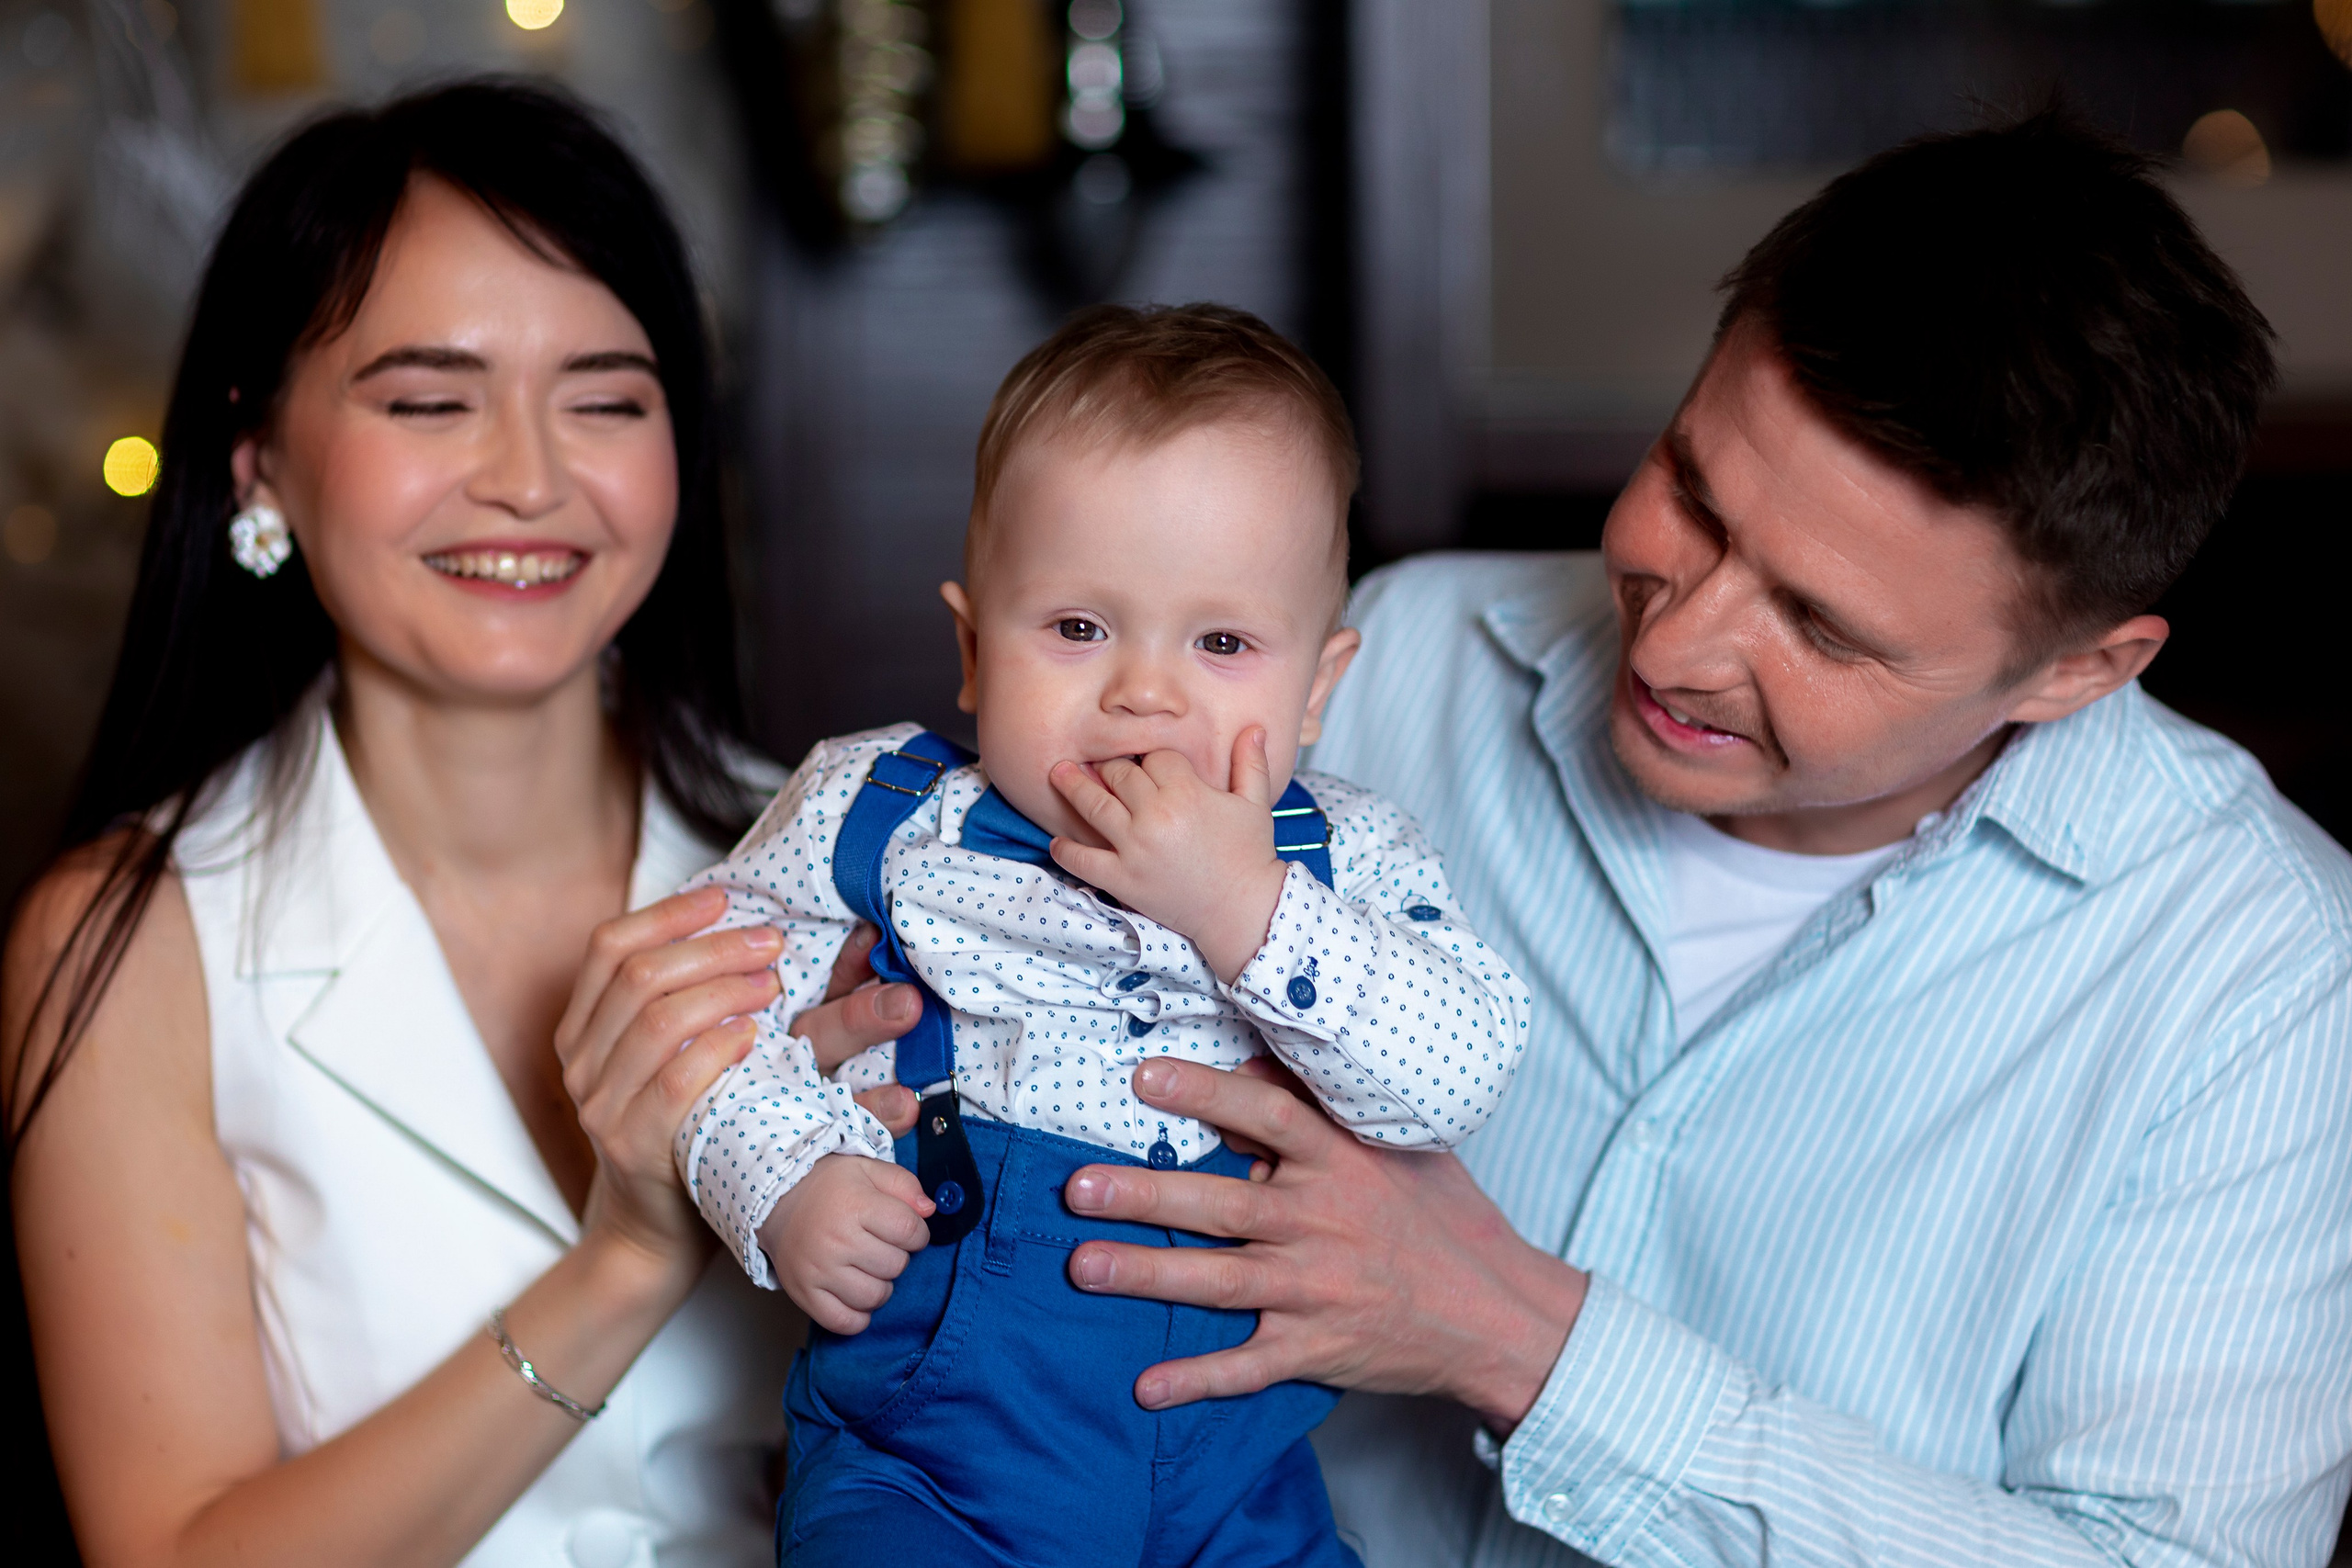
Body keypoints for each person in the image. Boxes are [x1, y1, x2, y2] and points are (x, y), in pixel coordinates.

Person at [1013, 113, 2352, 1566]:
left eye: (1824, 627)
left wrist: (1523, 1341)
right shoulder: (1401, 661)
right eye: (1695, 498)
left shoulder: (2267, 984)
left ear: (2079, 671)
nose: (1683, 641)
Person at [0, 81, 908, 1568]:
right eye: (429, 400)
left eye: (606, 398)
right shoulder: (130, 941)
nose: (532, 481)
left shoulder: (852, 865)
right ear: (258, 460)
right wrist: (628, 1256)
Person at [679, 304, 1532, 1566]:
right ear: (973, 649)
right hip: (932, 1460)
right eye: (1078, 629)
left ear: (1319, 688)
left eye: (1224, 642)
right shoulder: (880, 815)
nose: (1143, 690)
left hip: (1234, 1488)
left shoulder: (1346, 861)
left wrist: (1242, 907)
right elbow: (706, 1017)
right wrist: (785, 1180)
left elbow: (1456, 1072)